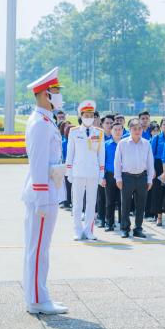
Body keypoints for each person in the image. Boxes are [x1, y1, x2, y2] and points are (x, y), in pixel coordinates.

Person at [22, 67, 68, 314]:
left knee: (38, 247)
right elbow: (38, 165)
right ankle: (38, 300)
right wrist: (41, 199)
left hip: (48, 190)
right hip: (43, 193)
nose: (59, 95)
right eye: (56, 90)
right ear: (45, 94)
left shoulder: (44, 120)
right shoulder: (40, 124)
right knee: (39, 248)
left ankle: (37, 296)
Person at [65, 100, 106, 240]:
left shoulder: (99, 132)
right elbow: (70, 153)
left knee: (91, 203)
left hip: (93, 173)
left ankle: (88, 230)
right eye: (86, 115)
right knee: (77, 203)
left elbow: (101, 154)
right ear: (81, 116)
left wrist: (102, 173)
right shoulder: (74, 131)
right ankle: (77, 230)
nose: (89, 117)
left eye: (91, 115)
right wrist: (68, 171)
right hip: (77, 172)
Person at [114, 118, 155, 238]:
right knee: (125, 204)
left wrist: (149, 179)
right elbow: (117, 162)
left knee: (140, 205)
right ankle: (125, 228)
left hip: (142, 177)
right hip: (127, 177)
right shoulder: (123, 143)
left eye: (139, 129)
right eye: (134, 129)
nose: (137, 131)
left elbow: (150, 163)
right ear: (130, 129)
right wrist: (118, 178)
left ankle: (138, 228)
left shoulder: (146, 143)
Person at [150, 118, 165, 226]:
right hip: (158, 166)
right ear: (161, 126)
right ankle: (159, 216)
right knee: (158, 192)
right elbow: (151, 155)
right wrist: (153, 169)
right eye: (164, 124)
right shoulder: (156, 138)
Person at [102, 121, 123, 231]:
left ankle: (123, 223)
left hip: (123, 176)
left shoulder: (126, 144)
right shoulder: (106, 144)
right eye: (115, 129)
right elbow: (102, 162)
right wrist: (102, 177)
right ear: (111, 131)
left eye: (120, 129)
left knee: (122, 201)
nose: (118, 131)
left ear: (123, 131)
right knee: (109, 201)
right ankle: (109, 223)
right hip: (110, 175)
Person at [59, 121, 73, 210]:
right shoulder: (64, 142)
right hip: (66, 166)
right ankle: (67, 201)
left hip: (75, 166)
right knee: (67, 185)